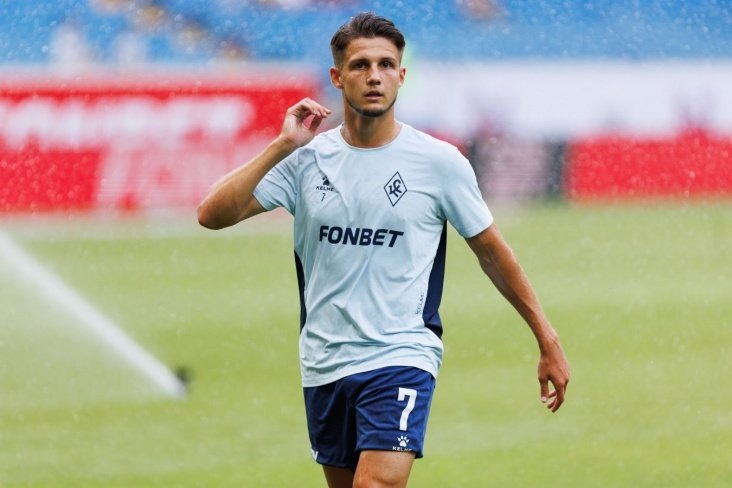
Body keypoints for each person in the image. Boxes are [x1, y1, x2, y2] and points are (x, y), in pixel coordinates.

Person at [197, 12, 569, 488]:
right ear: (337, 77)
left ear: (401, 75)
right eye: (360, 65)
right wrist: (282, 146)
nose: (374, 76)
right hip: (323, 362)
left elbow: (493, 252)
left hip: (401, 355)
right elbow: (212, 214)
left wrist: (547, 339)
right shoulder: (307, 160)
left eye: (386, 64)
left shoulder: (438, 163)